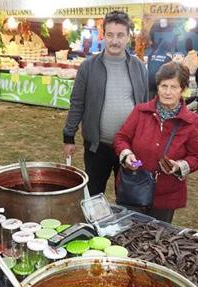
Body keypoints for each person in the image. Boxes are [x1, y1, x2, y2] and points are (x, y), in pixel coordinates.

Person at [62, 10, 148, 196]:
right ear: (103, 35)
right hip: (97, 146)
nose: (114, 41)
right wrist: (68, 136)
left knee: (129, 196)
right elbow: (77, 103)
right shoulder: (88, 67)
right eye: (110, 35)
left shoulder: (139, 67)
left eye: (120, 35)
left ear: (128, 36)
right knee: (93, 195)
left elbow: (145, 105)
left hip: (130, 147)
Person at [114, 62, 198, 223]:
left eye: (174, 87)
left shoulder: (192, 122)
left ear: (183, 90)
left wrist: (179, 166)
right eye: (164, 86)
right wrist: (126, 154)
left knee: (157, 240)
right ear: (157, 87)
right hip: (134, 187)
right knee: (128, 233)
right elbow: (121, 138)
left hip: (166, 195)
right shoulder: (140, 111)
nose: (168, 92)